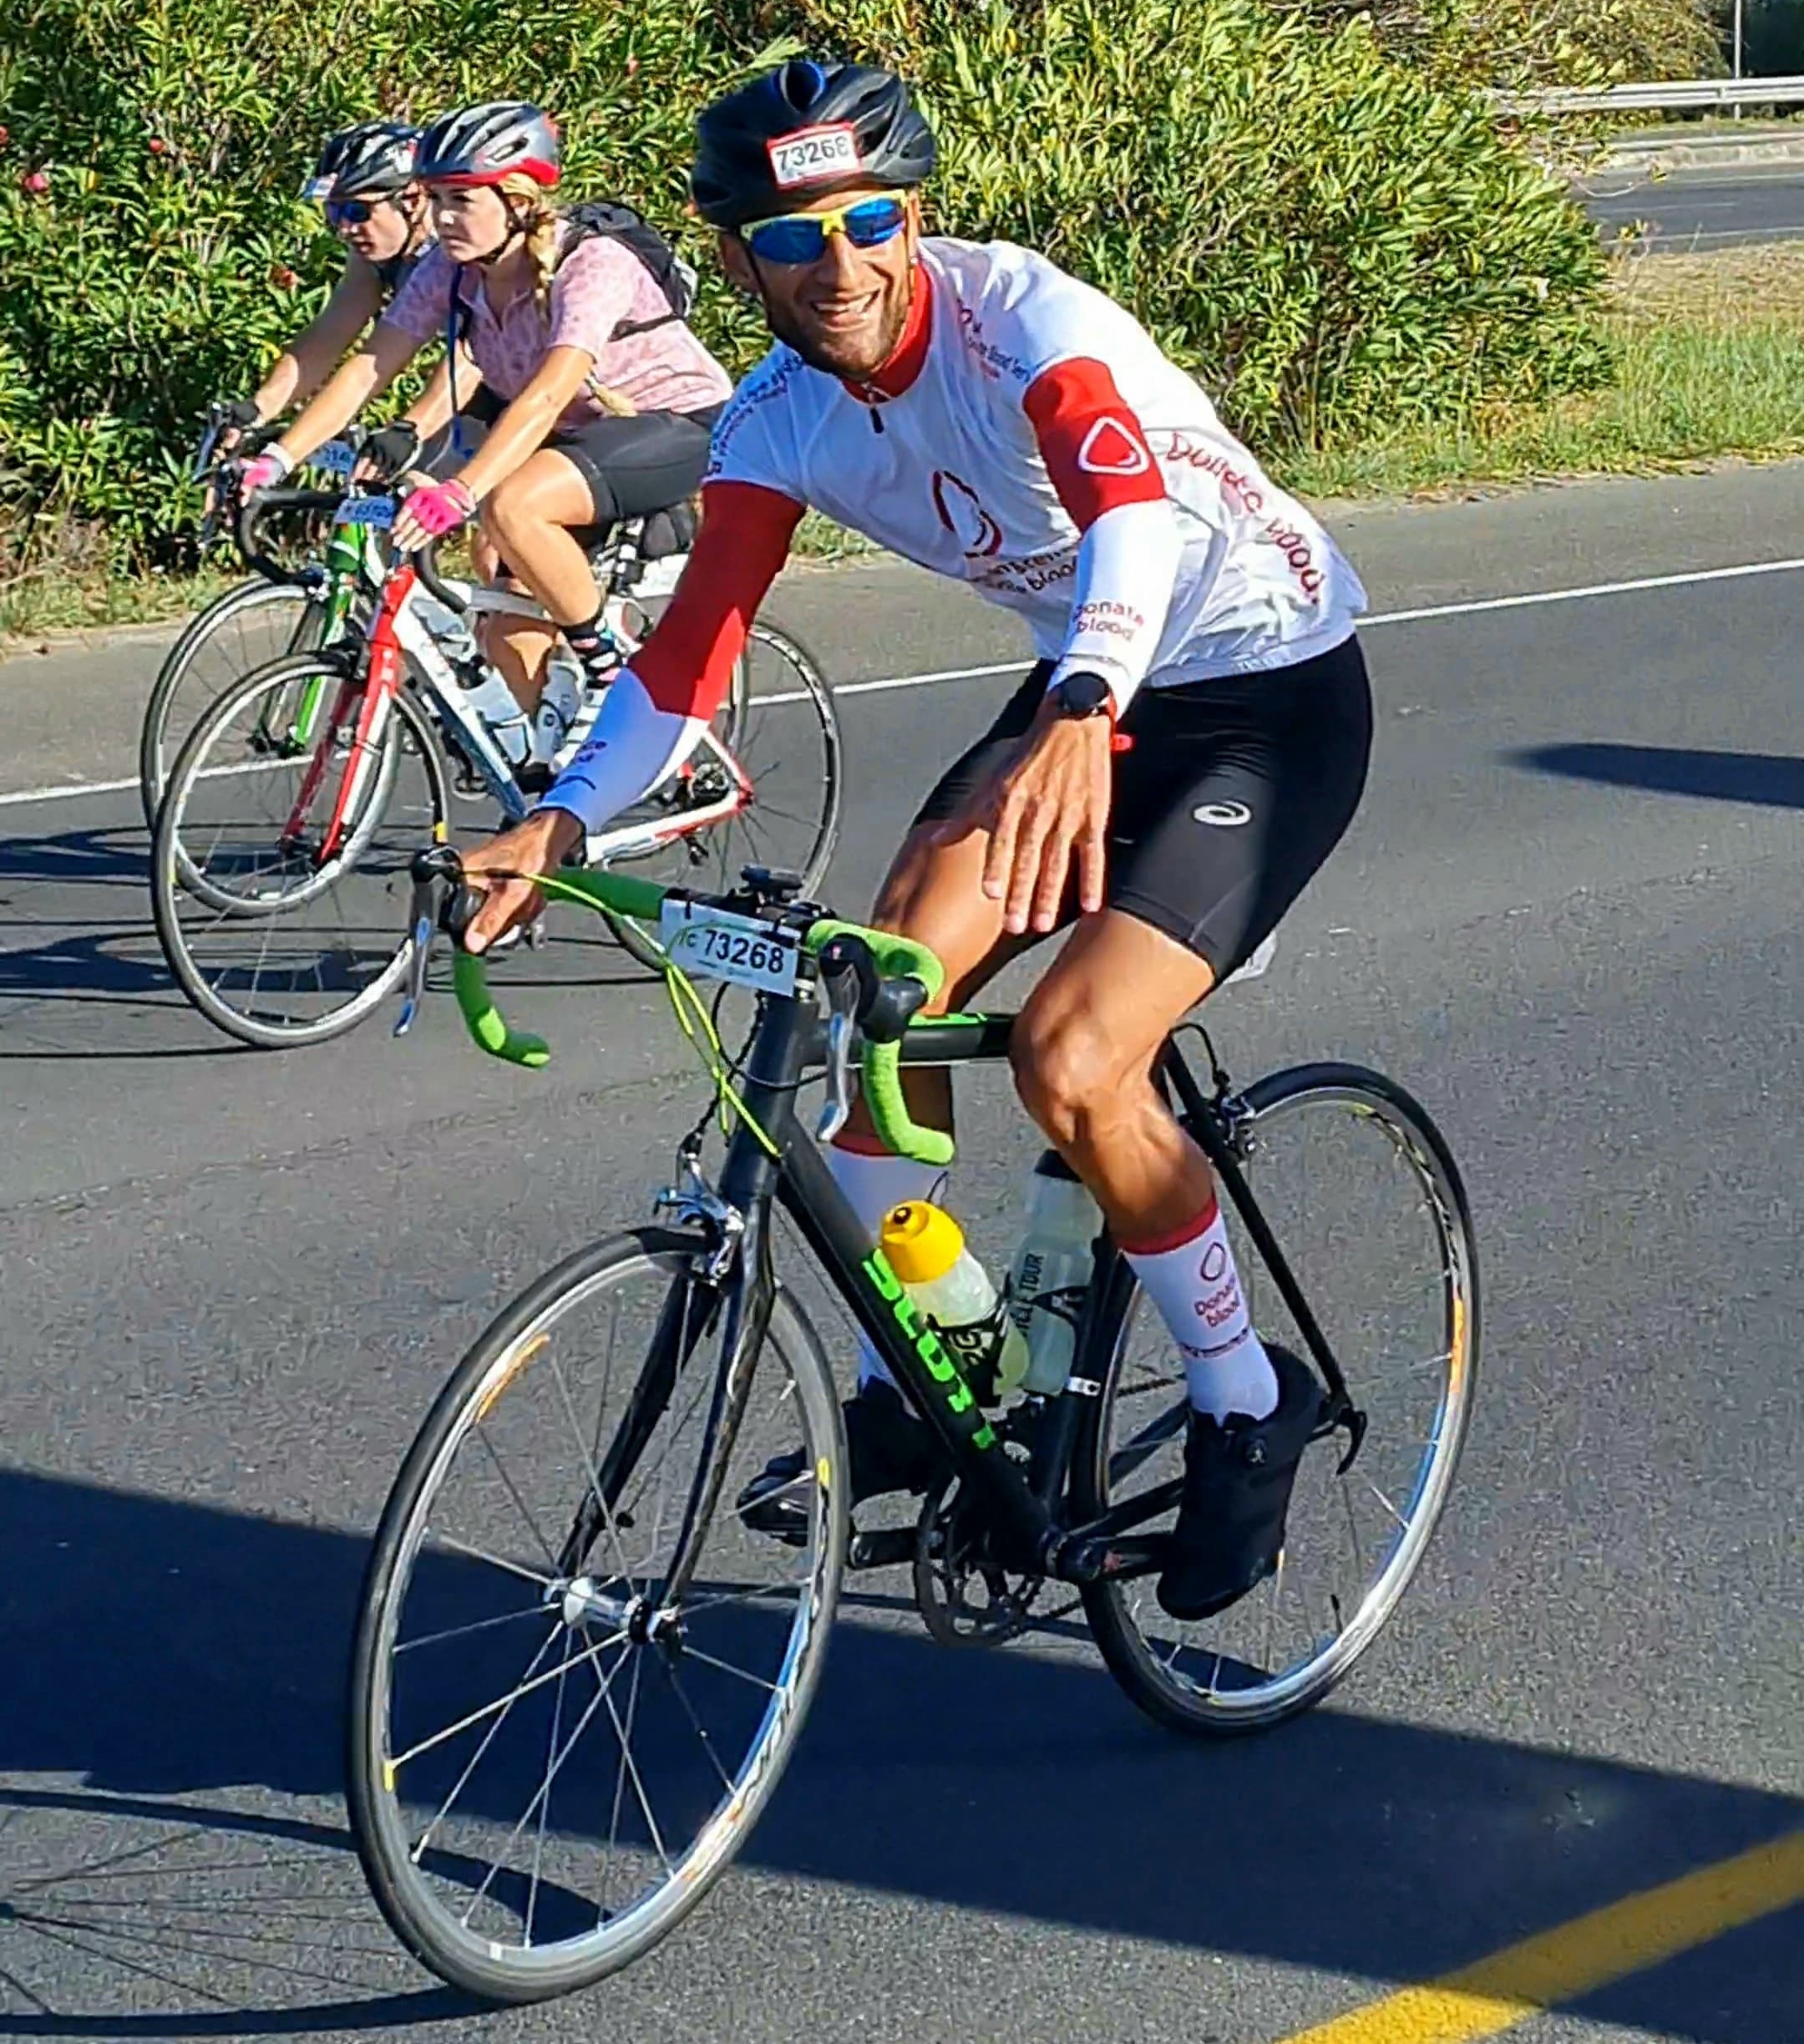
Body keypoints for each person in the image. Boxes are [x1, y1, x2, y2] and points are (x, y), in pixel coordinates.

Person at [458, 59, 1374, 1623]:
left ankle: (1243, 1395)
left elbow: (1134, 525)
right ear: (733, 259)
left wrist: (1083, 706)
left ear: (916, 215)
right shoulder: (778, 415)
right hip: (1090, 679)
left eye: (870, 219)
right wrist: (553, 815)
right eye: (790, 236)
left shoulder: (1030, 324)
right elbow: (689, 658)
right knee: (870, 999)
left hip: (1262, 693)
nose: (842, 264)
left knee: (1073, 1063)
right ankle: (958, 1359)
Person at [239, 100, 734, 743]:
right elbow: (368, 365)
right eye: (436, 198)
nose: (443, 219)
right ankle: (542, 777)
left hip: (675, 422)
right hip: (578, 437)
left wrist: (460, 491)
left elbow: (549, 394)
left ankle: (613, 668)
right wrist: (277, 456)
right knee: (506, 620)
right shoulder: (450, 268)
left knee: (511, 507)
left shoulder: (593, 263)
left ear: (520, 199)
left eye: (462, 200)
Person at [210, 122, 454, 476]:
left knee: (488, 506)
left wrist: (412, 427)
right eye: (334, 212)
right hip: (489, 386)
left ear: (413, 200)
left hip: (535, 393)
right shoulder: (378, 254)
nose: (344, 228)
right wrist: (259, 407)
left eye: (357, 211)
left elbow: (470, 361)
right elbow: (331, 334)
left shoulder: (457, 253)